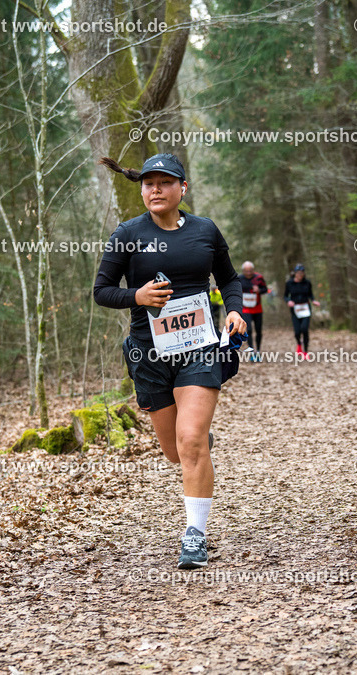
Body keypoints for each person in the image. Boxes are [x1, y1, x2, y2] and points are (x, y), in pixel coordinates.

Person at [93, 153, 246, 570]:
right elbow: (102, 290)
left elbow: (229, 279)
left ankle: (195, 535)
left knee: (190, 441)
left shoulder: (204, 230)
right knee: (175, 452)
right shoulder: (128, 234)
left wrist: (235, 310)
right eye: (149, 183)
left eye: (164, 182)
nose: (155, 190)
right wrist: (137, 296)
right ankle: (195, 444)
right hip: (150, 354)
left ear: (183, 188)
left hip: (199, 347)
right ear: (141, 190)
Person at [284, 263, 320, 355]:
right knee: (297, 331)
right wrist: (288, 301)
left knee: (304, 329)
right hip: (295, 309)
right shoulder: (289, 283)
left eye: (302, 273)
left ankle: (305, 351)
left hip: (306, 309)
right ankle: (299, 344)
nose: (300, 275)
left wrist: (313, 300)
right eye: (298, 273)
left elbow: (310, 294)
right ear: (295, 273)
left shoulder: (307, 283)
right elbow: (285, 296)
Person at [237, 261, 269, 361]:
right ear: (243, 271)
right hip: (246, 309)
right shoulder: (239, 278)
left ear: (253, 270)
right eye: (246, 271)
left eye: (250, 271)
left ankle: (258, 350)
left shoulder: (259, 277)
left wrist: (259, 290)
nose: (248, 273)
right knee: (249, 330)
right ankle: (251, 352)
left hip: (257, 308)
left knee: (258, 330)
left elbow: (265, 289)